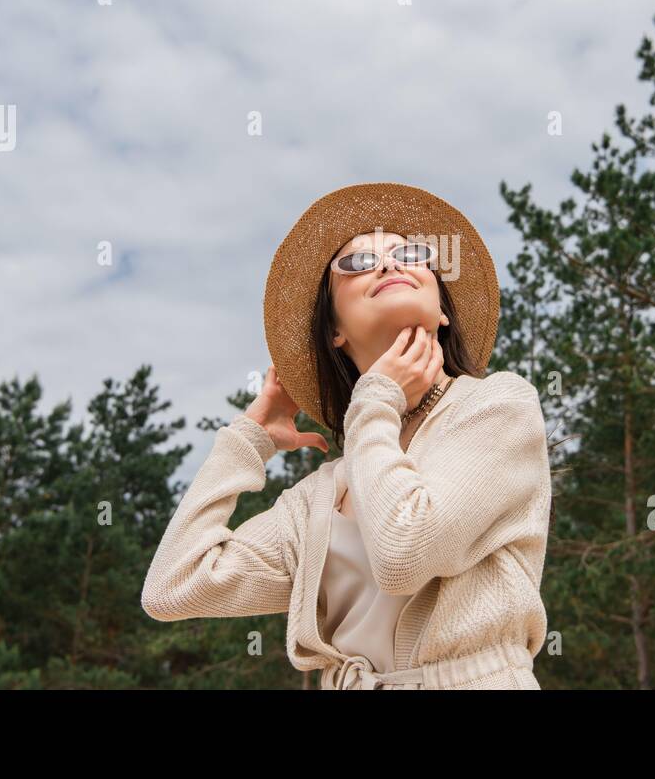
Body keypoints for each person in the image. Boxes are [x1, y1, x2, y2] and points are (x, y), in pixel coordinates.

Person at [141, 182, 552, 689]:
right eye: (356, 263)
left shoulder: (498, 406)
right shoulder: (319, 496)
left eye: (411, 254)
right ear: (334, 328)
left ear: (443, 309)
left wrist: (376, 398)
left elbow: (405, 555)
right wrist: (248, 440)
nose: (388, 265)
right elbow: (172, 586)